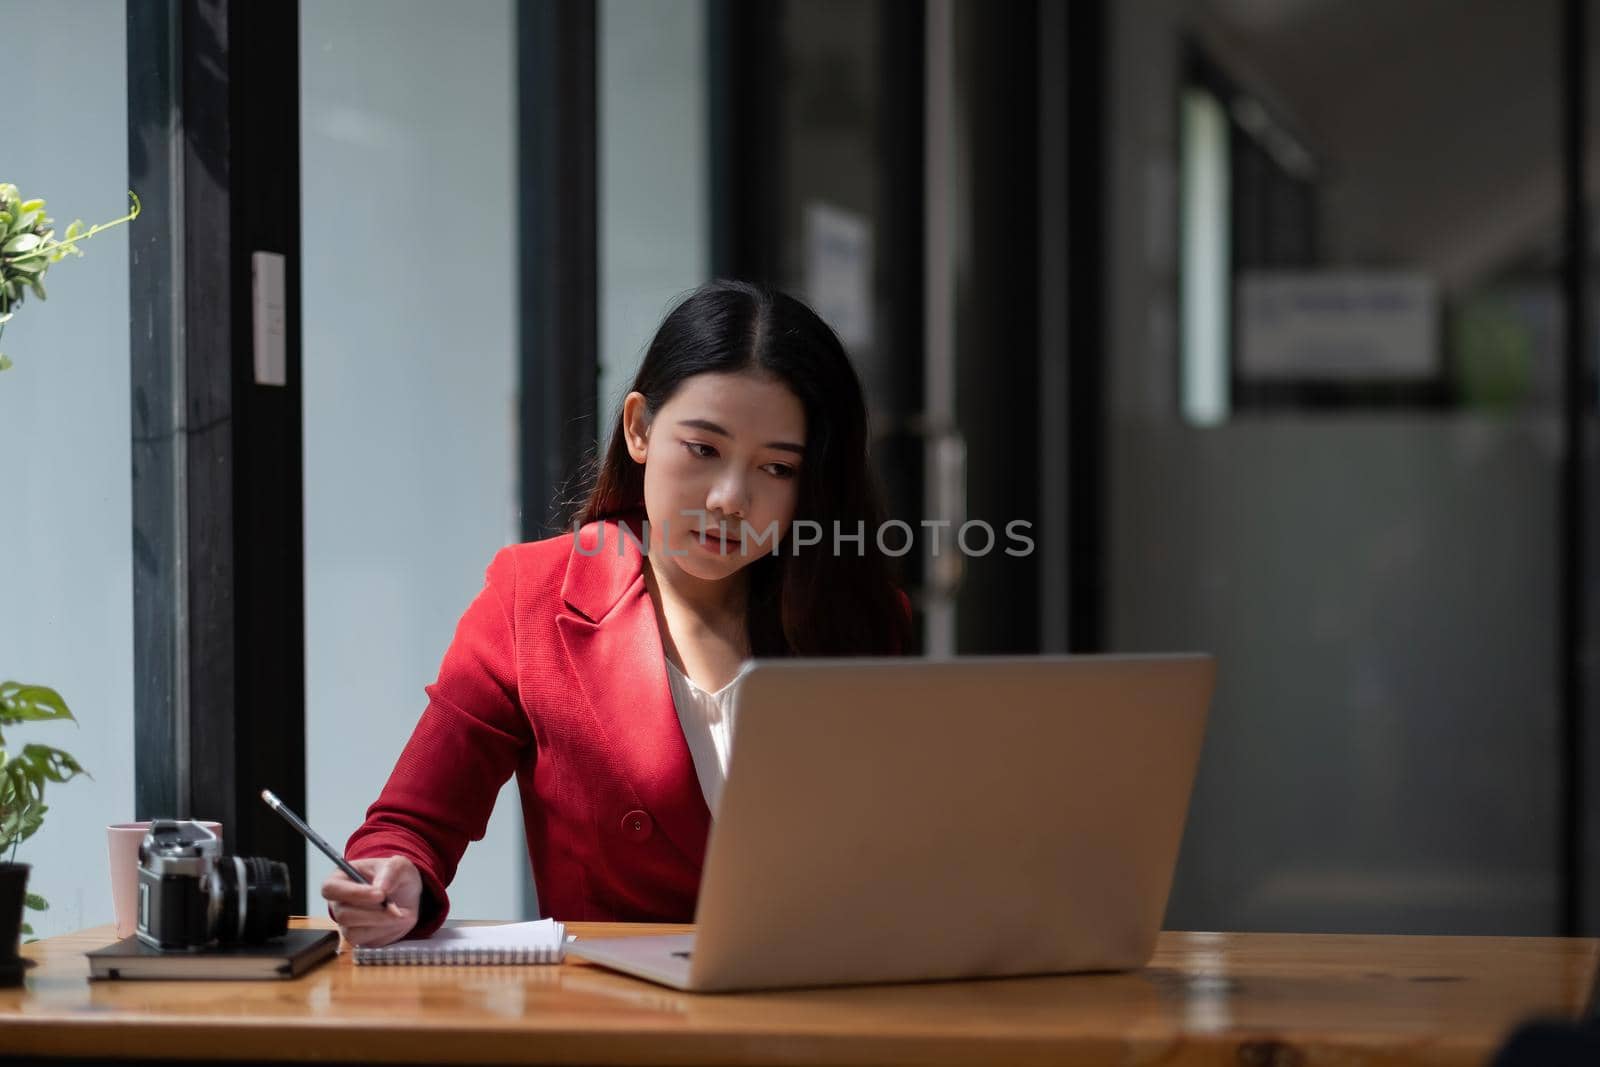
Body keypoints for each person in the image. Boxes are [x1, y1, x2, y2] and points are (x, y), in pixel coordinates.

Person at [323, 280, 912, 946]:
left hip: (821, 1013)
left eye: (776, 467)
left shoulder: (857, 618)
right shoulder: (533, 598)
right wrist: (394, 875)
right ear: (639, 428)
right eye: (703, 449)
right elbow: (411, 824)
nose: (729, 498)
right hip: (618, 1026)